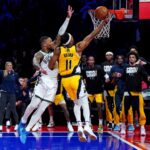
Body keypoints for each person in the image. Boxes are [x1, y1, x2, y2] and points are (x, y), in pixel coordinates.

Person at [18, 6, 74, 143]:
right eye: (50, 41)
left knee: (42, 108)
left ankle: (26, 129)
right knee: (34, 104)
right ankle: (22, 122)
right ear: (44, 44)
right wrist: (38, 68)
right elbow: (34, 62)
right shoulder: (40, 53)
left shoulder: (54, 48)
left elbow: (60, 34)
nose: (52, 42)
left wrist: (68, 18)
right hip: (43, 80)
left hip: (54, 81)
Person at [49, 18, 108, 141]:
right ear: (71, 41)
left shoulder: (58, 50)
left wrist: (56, 57)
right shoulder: (77, 48)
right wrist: (102, 24)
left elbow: (50, 66)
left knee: (76, 102)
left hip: (65, 81)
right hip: (76, 79)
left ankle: (79, 126)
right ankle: (87, 125)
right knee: (85, 102)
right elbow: (92, 35)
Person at [121, 52, 150, 135]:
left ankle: (142, 127)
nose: (131, 58)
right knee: (124, 111)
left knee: (140, 111)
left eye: (133, 57)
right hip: (127, 93)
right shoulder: (126, 67)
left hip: (137, 93)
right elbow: (123, 77)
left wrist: (148, 77)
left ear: (136, 58)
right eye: (130, 57)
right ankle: (123, 126)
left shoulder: (140, 67)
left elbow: (145, 76)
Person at [109, 55, 133, 132]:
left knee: (128, 108)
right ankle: (117, 124)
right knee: (116, 106)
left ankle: (130, 124)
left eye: (121, 58)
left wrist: (121, 75)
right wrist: (113, 75)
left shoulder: (127, 66)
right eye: (118, 58)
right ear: (116, 59)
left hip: (126, 89)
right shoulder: (113, 67)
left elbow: (129, 75)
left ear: (123, 59)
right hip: (117, 89)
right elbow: (110, 77)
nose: (120, 60)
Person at [82, 56, 105, 133]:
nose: (91, 61)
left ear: (94, 61)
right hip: (89, 91)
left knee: (99, 107)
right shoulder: (84, 69)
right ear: (87, 61)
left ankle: (100, 125)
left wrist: (107, 79)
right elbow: (83, 79)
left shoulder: (98, 68)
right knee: (88, 108)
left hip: (98, 91)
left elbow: (104, 75)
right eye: (89, 60)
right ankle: (89, 125)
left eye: (92, 60)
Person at [0, 61, 19, 131]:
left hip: (12, 94)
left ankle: (17, 124)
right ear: (5, 66)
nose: (10, 67)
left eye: (11, 65)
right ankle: (0, 125)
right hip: (4, 93)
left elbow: (17, 83)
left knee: (13, 109)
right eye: (8, 65)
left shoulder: (15, 74)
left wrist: (15, 90)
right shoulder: (2, 73)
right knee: (1, 110)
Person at [101, 51, 115, 129]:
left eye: (110, 55)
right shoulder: (103, 64)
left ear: (112, 56)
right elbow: (102, 74)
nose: (108, 56)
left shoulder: (115, 64)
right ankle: (109, 121)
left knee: (116, 105)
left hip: (115, 87)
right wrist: (107, 78)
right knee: (108, 105)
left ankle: (116, 121)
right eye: (107, 55)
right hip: (106, 88)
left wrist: (112, 79)